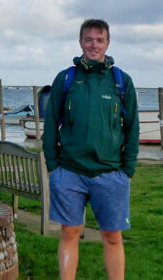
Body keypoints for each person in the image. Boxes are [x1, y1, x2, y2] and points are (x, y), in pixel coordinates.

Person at [43, 18, 139, 280]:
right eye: (88, 39)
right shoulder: (66, 79)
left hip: (110, 174)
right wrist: (53, 167)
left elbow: (132, 128)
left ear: (107, 43)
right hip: (69, 173)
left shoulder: (121, 81)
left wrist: (127, 169)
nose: (93, 45)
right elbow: (51, 124)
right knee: (70, 233)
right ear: (80, 42)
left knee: (112, 237)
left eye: (99, 40)